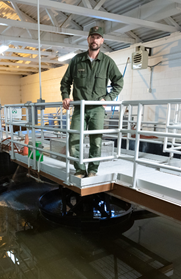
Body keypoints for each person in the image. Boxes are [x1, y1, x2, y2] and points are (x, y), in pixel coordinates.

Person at [60, 26, 124, 178]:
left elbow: (119, 82)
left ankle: (93, 170)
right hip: (79, 109)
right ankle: (80, 170)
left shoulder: (107, 62)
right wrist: (65, 95)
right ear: (88, 39)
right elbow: (65, 82)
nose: (94, 40)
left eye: (97, 37)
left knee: (96, 141)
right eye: (92, 37)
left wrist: (107, 98)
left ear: (102, 40)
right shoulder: (77, 60)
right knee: (74, 139)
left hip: (97, 109)